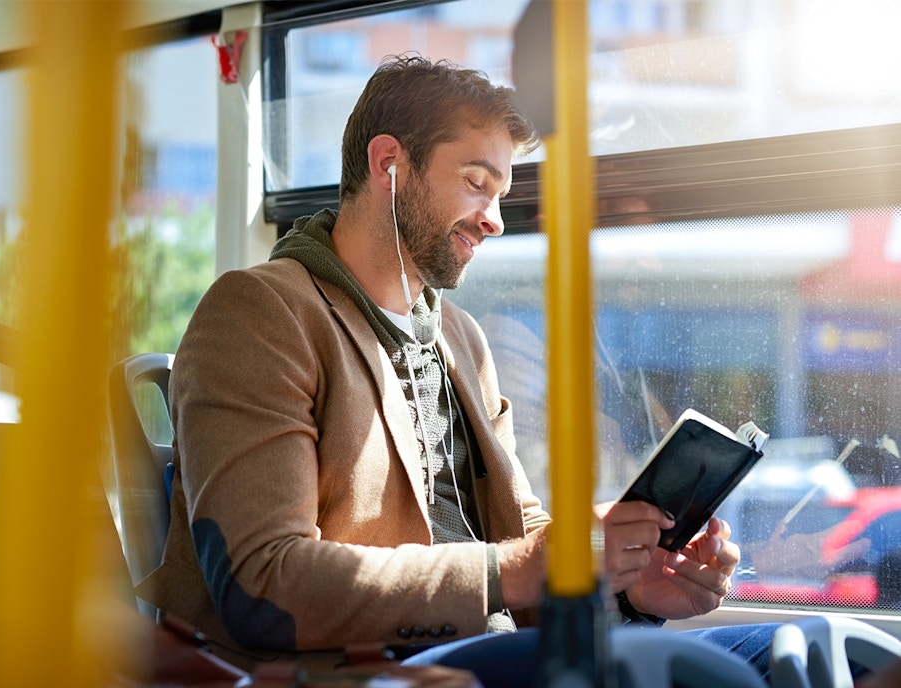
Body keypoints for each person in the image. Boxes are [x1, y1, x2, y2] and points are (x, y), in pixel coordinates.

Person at [144, 53, 775, 680]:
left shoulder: (459, 340)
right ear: (389, 163)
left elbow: (518, 532)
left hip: (487, 652)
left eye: (500, 194)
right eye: (476, 182)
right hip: (381, 668)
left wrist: (630, 595)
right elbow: (263, 583)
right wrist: (521, 569)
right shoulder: (262, 313)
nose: (495, 220)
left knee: (803, 652)